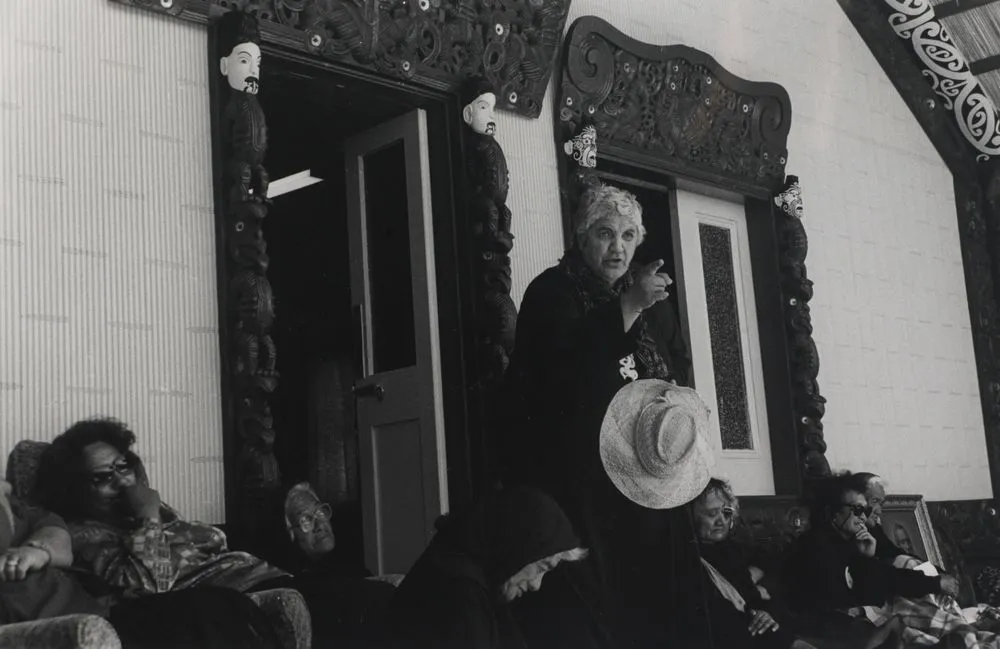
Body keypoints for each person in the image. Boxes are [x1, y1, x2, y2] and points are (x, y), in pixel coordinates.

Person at [33, 417, 285, 649]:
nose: (122, 481)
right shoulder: (84, 535)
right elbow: (151, 588)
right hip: (223, 602)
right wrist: (149, 516)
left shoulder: (134, 512)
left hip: (257, 583)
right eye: (103, 477)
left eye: (123, 466)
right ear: (74, 490)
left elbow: (212, 541)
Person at [386, 486, 611, 649]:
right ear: (516, 547)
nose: (536, 584)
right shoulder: (460, 595)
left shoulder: (465, 570)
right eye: (541, 566)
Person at [785, 473, 958, 648]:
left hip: (853, 623)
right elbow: (832, 597)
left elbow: (875, 593)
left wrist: (867, 558)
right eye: (857, 510)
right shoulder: (815, 543)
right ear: (834, 512)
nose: (863, 517)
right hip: (821, 627)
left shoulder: (854, 543)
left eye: (865, 510)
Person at [692, 478, 814, 649]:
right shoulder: (688, 561)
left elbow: (772, 562)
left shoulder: (732, 549)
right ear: (690, 516)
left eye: (726, 512)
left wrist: (766, 610)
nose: (721, 521)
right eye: (712, 514)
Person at [280, 482, 395, 645]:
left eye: (319, 512)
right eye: (306, 520)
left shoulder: (349, 565)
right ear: (291, 534)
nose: (319, 525)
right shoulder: (299, 584)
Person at [0, 479, 108, 623]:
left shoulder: (19, 506)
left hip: (84, 615)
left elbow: (54, 528)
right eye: (103, 476)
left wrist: (37, 550)